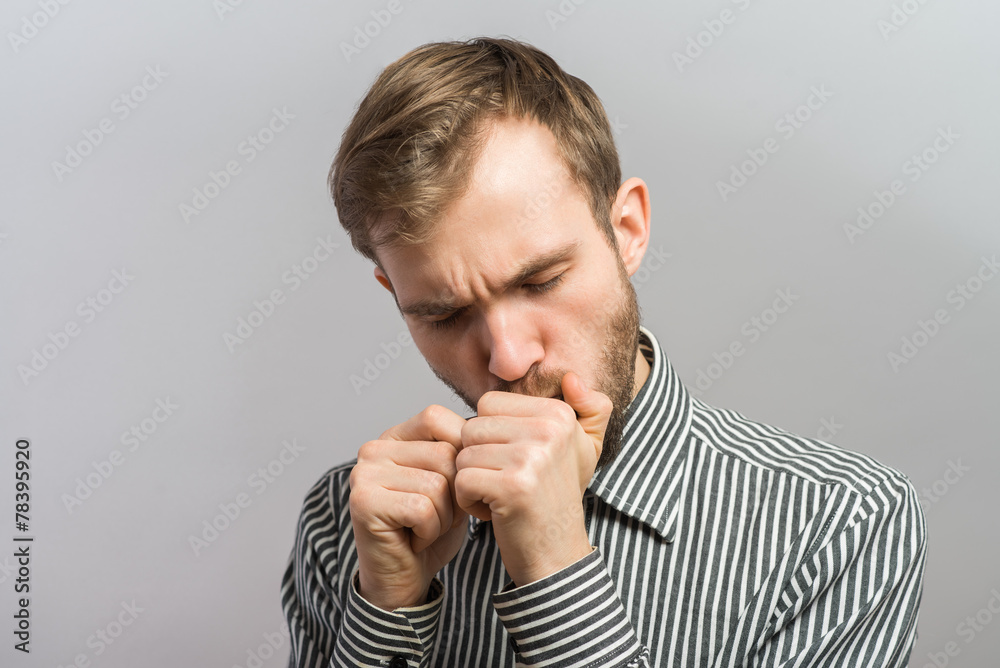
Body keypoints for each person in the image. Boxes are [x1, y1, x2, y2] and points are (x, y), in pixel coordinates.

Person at [281, 37, 927, 667]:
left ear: (627, 231)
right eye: (443, 315)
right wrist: (386, 611)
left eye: (541, 281)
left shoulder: (840, 527)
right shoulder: (346, 522)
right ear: (396, 297)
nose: (508, 359)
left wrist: (555, 567)